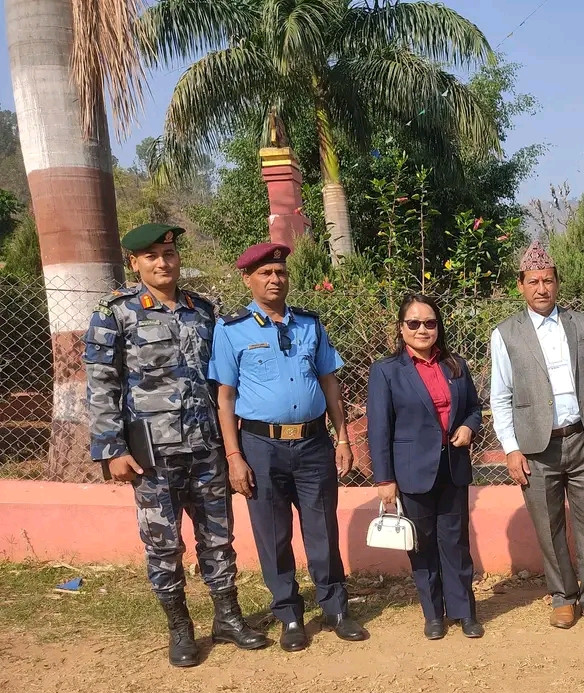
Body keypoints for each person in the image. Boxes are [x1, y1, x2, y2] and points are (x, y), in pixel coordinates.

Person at [84, 224, 268, 667]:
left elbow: (221, 379)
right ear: (135, 264)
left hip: (206, 447)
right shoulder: (115, 314)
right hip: (152, 454)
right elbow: (101, 386)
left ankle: (227, 617)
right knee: (163, 544)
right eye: (150, 256)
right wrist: (111, 449)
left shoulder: (202, 311)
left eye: (168, 253)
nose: (162, 262)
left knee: (218, 539)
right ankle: (179, 627)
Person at [209, 242, 367, 651]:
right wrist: (234, 457)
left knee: (322, 530)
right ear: (248, 279)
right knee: (273, 535)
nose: (275, 279)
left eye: (280, 272)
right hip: (261, 446)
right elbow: (225, 398)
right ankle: (290, 616)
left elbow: (331, 381)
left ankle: (335, 609)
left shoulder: (309, 325)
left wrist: (343, 436)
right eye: (265, 273)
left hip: (314, 444)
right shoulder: (231, 330)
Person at [490, 241, 584, 629]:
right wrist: (511, 449)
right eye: (533, 281)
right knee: (548, 526)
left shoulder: (582, 325)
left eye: (548, 280)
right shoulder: (505, 334)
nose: (541, 288)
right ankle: (563, 597)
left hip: (583, 438)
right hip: (535, 446)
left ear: (558, 283)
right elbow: (500, 397)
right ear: (520, 285)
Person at [367, 294, 484, 641]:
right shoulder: (386, 371)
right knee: (421, 546)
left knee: (456, 543)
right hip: (411, 471)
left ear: (439, 327)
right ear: (402, 329)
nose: (422, 329)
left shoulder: (455, 365)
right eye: (414, 323)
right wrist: (385, 479)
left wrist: (469, 427)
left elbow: (475, 408)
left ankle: (464, 612)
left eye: (430, 323)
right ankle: (434, 614)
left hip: (452, 468)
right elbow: (379, 429)